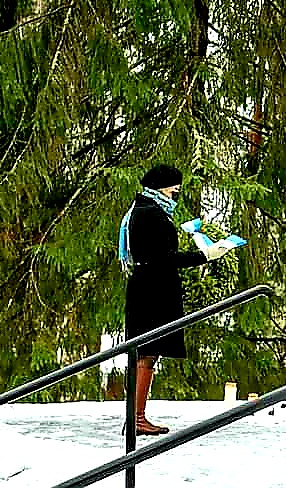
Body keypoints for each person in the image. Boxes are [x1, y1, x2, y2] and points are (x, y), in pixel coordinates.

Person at [121, 164, 238, 436]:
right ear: (161, 185)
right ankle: (137, 417)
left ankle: (137, 416)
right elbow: (163, 258)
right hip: (152, 291)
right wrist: (205, 255)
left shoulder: (144, 210)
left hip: (147, 287)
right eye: (174, 186)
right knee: (146, 353)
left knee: (146, 353)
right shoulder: (151, 214)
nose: (177, 191)